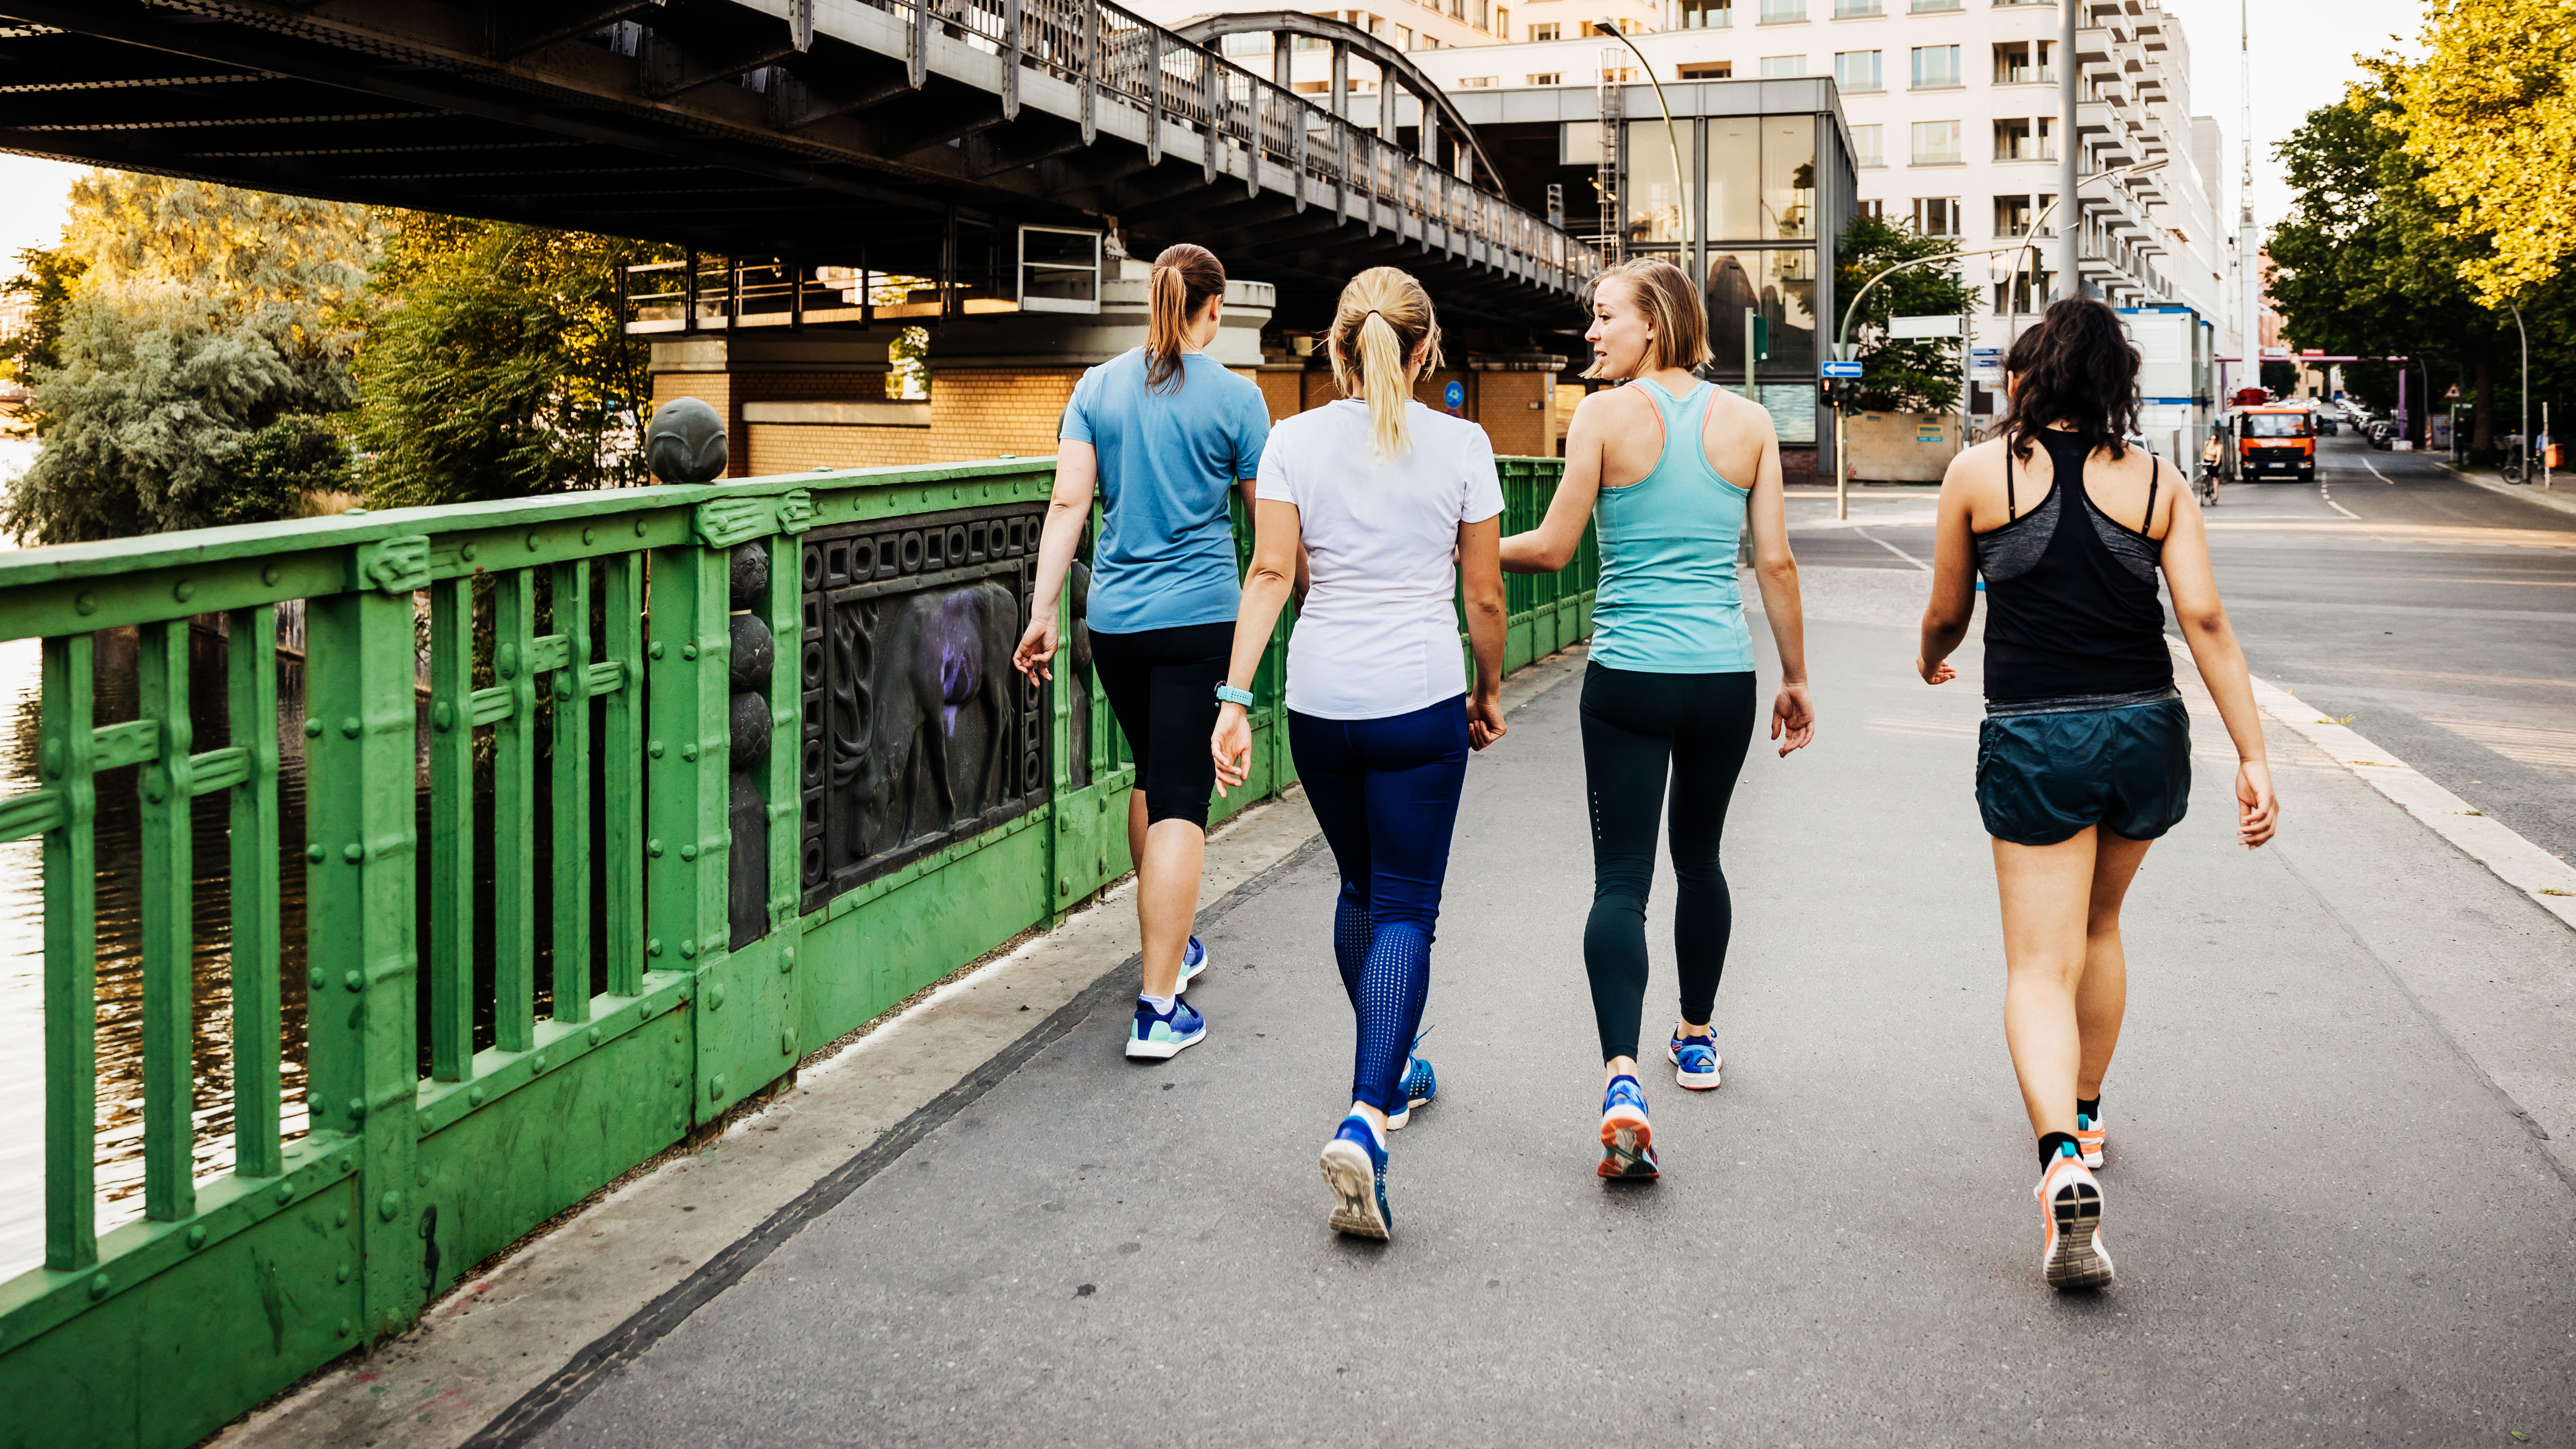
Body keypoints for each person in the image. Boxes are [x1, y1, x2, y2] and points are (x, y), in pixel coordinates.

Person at [1916, 297, 2279, 1291]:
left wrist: (1929, 657)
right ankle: (2086, 1111)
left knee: (2039, 965)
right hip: (2146, 730)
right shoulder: (2160, 482)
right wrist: (2252, 755)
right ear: (2116, 385)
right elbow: (2203, 621)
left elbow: (1949, 611)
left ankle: (2058, 1164)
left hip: (2038, 734)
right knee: (2102, 930)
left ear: (2026, 382)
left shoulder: (1979, 473)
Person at [1211, 266, 1509, 1240]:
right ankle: (1366, 1117)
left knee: (1360, 891)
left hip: (1321, 701)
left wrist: (1233, 695)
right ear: (1426, 352)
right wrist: (1489, 685)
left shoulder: (1290, 441)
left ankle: (1395, 1066)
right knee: (1409, 909)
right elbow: (1485, 598)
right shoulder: (1464, 444)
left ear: (1339, 348)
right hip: (1419, 697)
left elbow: (1269, 572)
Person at [1501, 257, 1813, 1181]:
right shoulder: (1751, 424)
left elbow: (1555, 546)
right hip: (1722, 675)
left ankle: (1623, 1081)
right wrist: (1796, 676)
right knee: (1702, 859)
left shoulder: (1600, 419)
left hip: (1629, 677)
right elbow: (1777, 565)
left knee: (1621, 884)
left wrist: (1465, 540)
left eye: (1605, 318)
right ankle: (1698, 1038)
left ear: (1655, 323)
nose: (1591, 334)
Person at [1015, 243, 1271, 1062]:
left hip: (1115, 625)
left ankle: (1174, 944)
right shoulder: (1238, 400)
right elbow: (1269, 533)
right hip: (1200, 621)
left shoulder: (1096, 387)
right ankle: (1157, 1006)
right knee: (1183, 802)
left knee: (1155, 778)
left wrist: (1042, 608)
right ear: (1215, 306)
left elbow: (1067, 503)